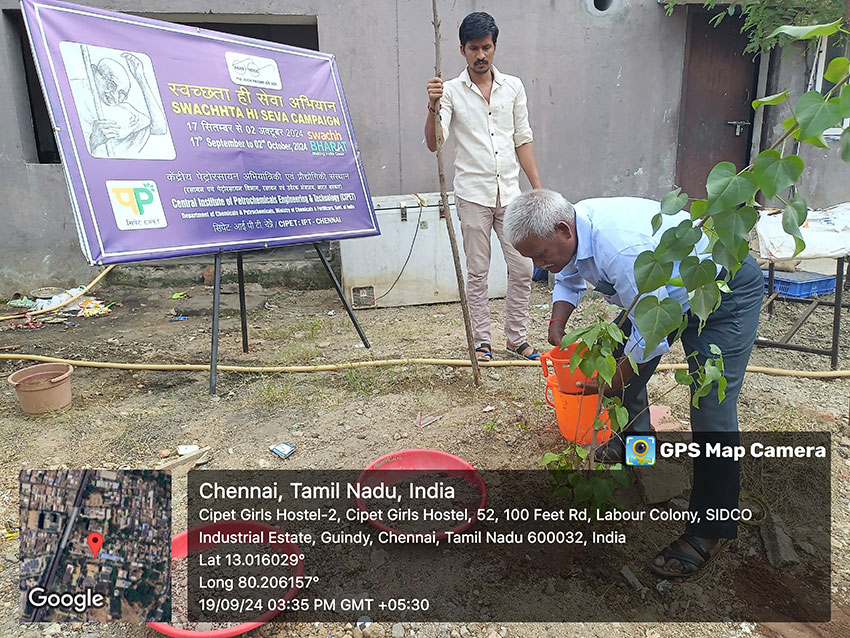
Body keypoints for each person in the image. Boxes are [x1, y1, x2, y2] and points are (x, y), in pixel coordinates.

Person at [504, 189, 763, 578]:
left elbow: (650, 335)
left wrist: (608, 383)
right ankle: (635, 448)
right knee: (618, 361)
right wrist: (557, 323)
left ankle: (710, 531)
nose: (542, 266)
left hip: (721, 290)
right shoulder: (574, 230)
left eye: (541, 256)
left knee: (711, 410)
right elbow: (569, 275)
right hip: (661, 297)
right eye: (534, 260)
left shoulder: (620, 249)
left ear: (563, 229)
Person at [424, 11, 542, 361]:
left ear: (494, 47)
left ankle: (516, 338)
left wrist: (537, 190)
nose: (481, 55)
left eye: (486, 47)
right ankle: (481, 341)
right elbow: (435, 143)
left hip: (511, 195)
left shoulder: (513, 87)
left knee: (522, 268)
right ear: (462, 50)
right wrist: (431, 106)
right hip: (472, 195)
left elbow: (523, 139)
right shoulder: (450, 92)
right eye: (473, 48)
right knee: (477, 271)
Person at [81, 52, 168, 157]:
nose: (115, 96)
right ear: (95, 73)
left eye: (122, 94)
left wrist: (140, 77)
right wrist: (93, 141)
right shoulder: (77, 90)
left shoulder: (125, 109)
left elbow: (160, 128)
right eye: (111, 85)